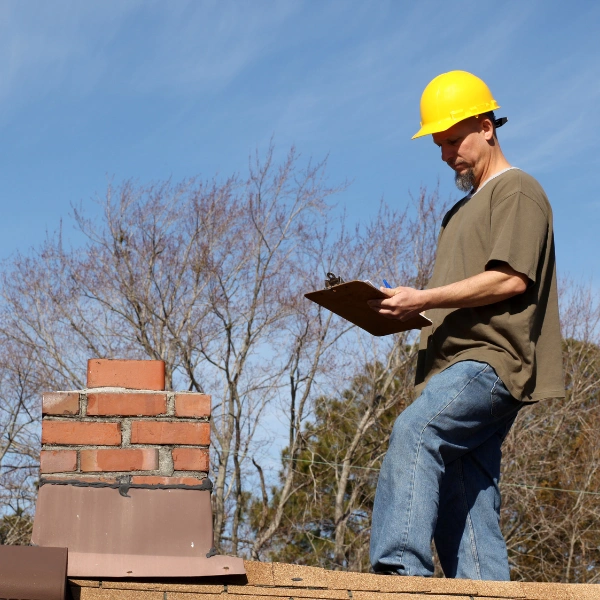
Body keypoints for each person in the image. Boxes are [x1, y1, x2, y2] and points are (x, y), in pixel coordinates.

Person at [368, 71, 564, 580]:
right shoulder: (458, 212)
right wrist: (407, 310)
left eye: (454, 140)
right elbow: (460, 296)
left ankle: (398, 573)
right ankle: (483, 587)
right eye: (439, 145)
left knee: (416, 431)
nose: (446, 154)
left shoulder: (517, 189)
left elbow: (510, 280)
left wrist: (426, 297)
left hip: (490, 361)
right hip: (452, 364)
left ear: (487, 126)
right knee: (466, 487)